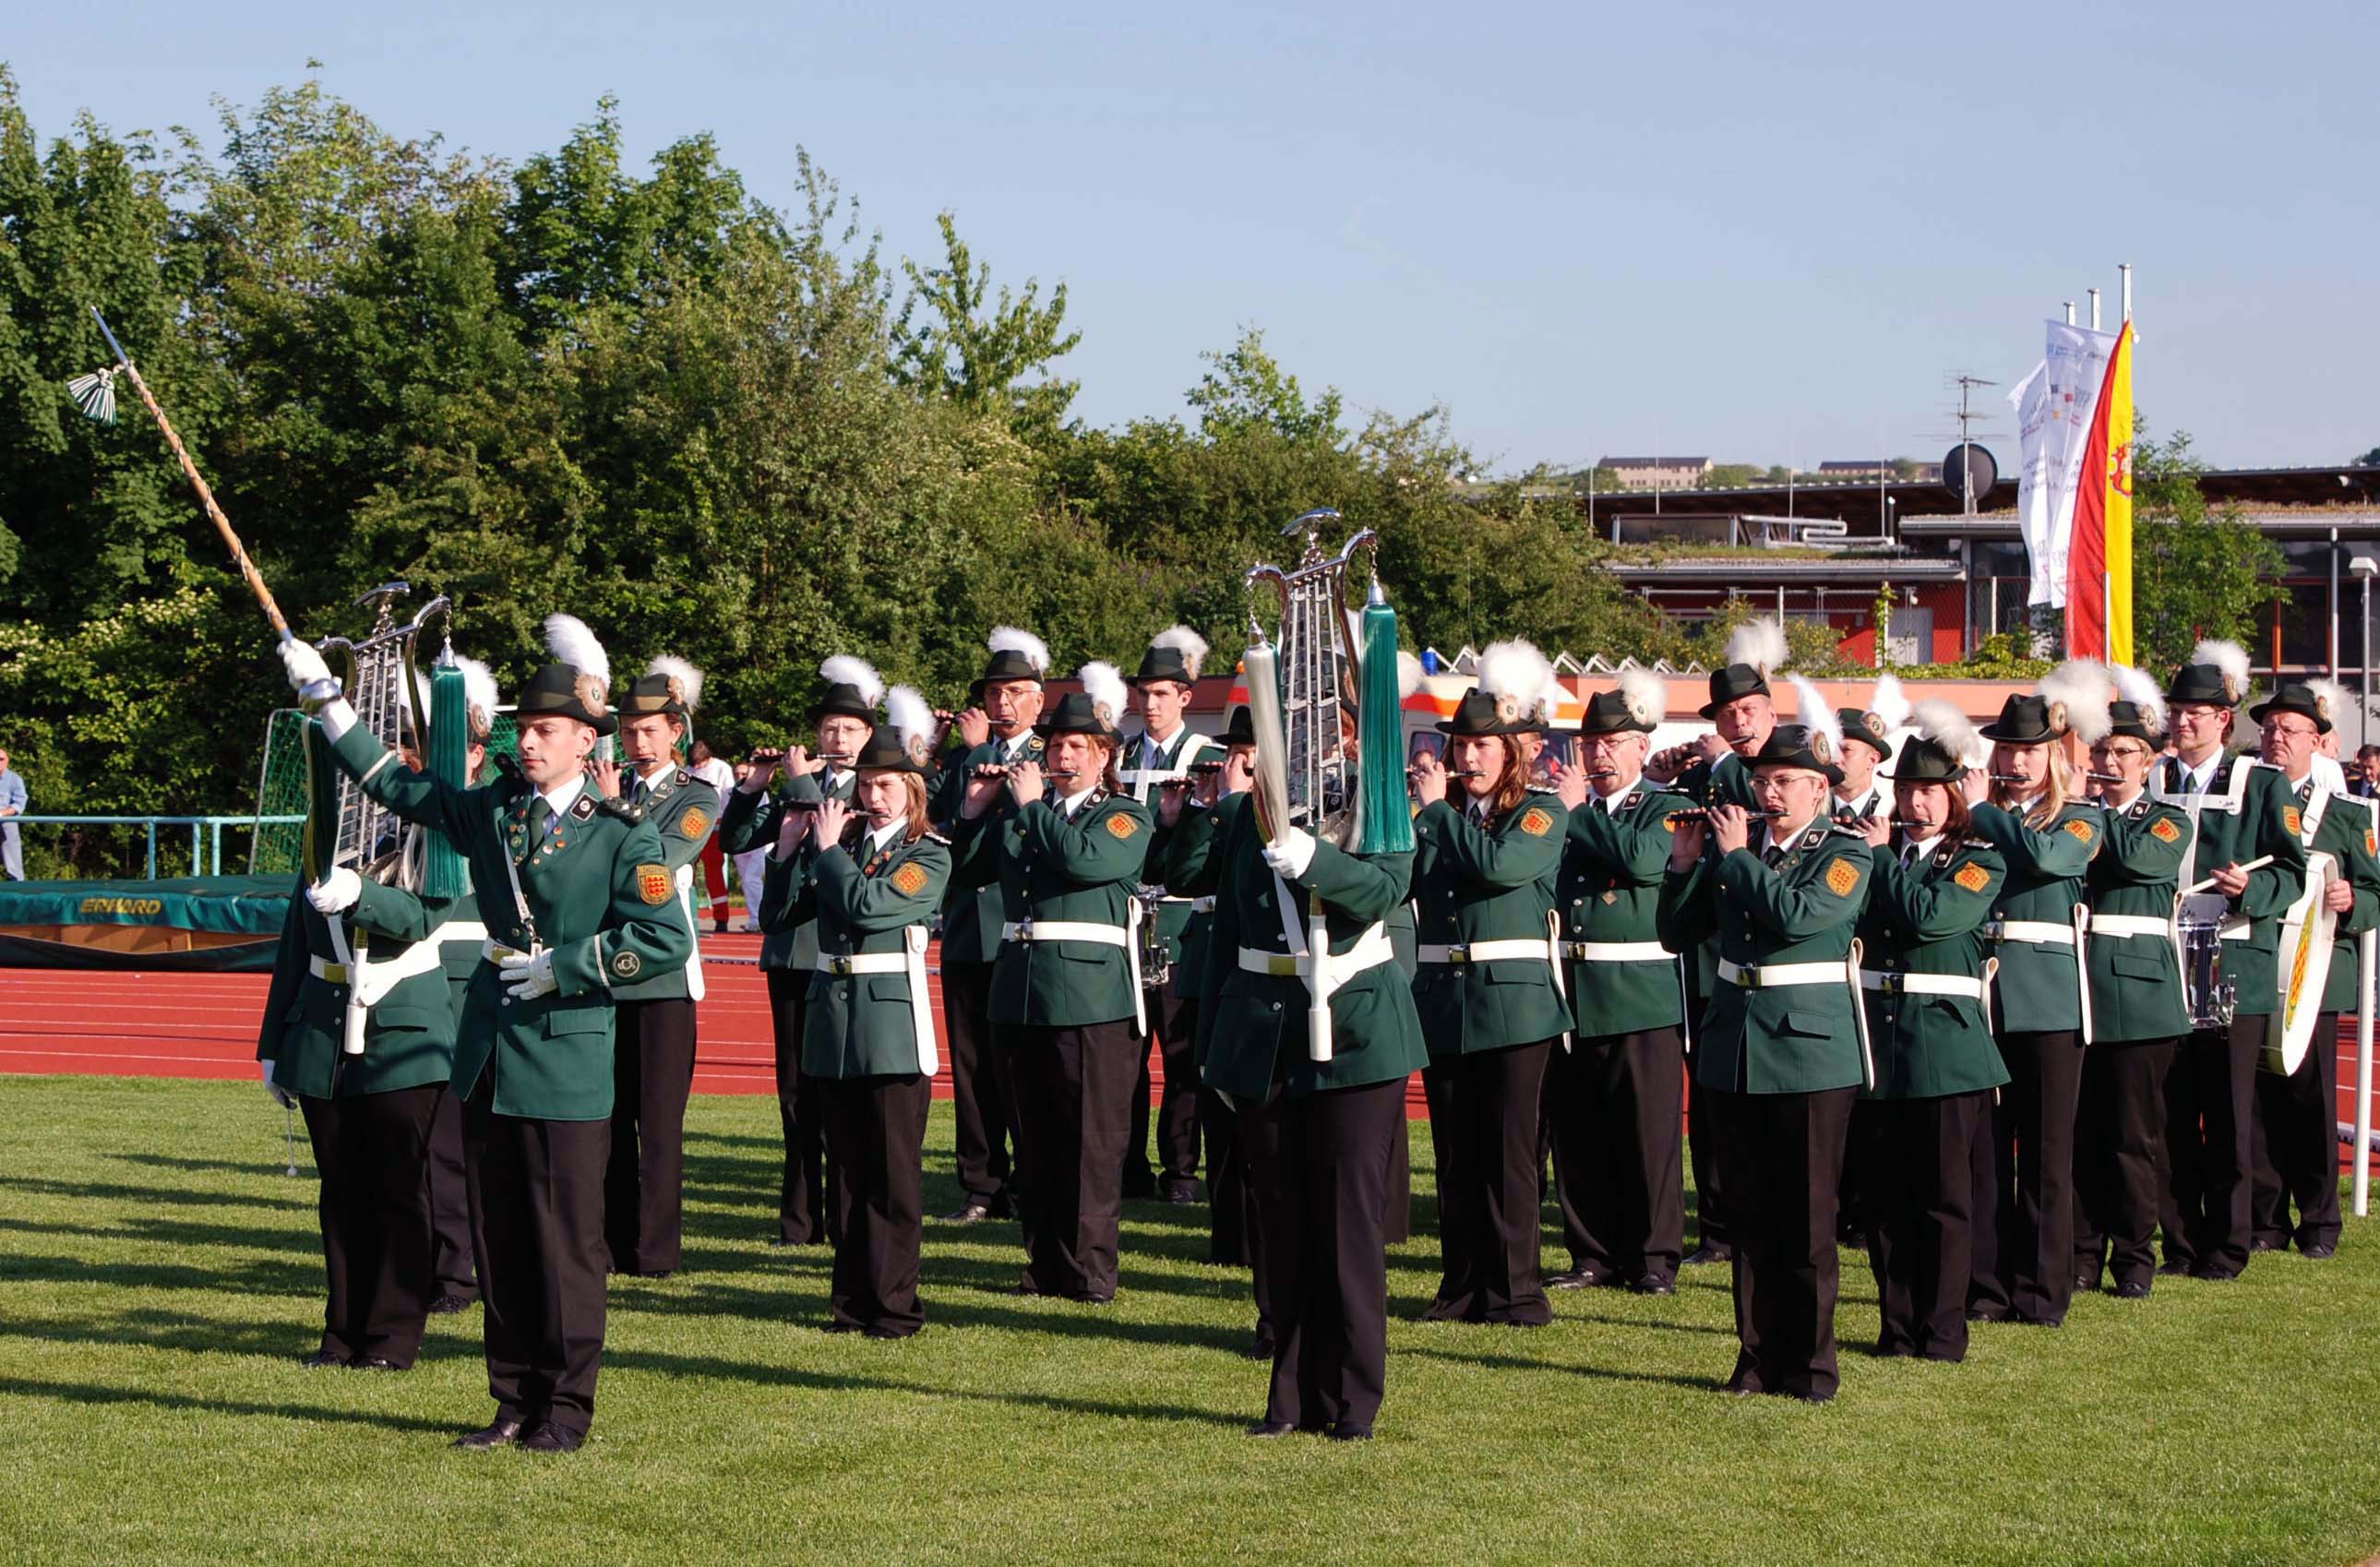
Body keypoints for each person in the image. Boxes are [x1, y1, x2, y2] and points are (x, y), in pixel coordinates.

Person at [279, 614, 690, 1453]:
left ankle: (565, 1410)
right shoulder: (494, 812)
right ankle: (513, 1400)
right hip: (488, 1057)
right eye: (524, 729)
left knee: (565, 1247)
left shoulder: (623, 834)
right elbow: (398, 786)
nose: (528, 742)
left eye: (546, 731)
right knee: (501, 1243)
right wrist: (327, 703)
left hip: (567, 1057)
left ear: (585, 742)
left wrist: (566, 967)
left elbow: (663, 940)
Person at [1197, 713, 1423, 1441]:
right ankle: (1289, 1394)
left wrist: (1313, 859)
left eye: (1320, 719)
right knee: (1282, 1222)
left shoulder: (1378, 797)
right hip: (1265, 1027)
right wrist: (1216, 1044)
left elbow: (1385, 889)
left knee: (1346, 1222)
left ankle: (1352, 1398)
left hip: (1355, 1026)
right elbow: (1227, 927)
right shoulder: (1250, 808)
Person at [1656, 688, 1871, 1403]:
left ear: (1818, 788)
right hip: (1736, 1044)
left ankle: (1809, 1366)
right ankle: (1755, 1358)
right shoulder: (1733, 851)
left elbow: (1796, 917)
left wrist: (1732, 858)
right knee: (1749, 1219)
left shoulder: (1843, 853)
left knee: (1806, 1223)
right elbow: (1676, 934)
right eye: (1760, 782)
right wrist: (1685, 865)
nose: (1767, 793)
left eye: (1782, 783)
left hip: (1809, 1050)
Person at [257, 714, 472, 1371]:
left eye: (399, 754)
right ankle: (342, 1331)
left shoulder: (440, 832)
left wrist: (358, 894)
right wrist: (273, 1043)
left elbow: (425, 913)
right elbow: (295, 946)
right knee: (342, 1191)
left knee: (400, 1191)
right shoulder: (331, 833)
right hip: (322, 1026)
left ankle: (390, 1337)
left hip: (404, 1028)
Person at [950, 663, 1149, 1301]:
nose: (1061, 755)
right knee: (1034, 1141)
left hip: (1091, 996)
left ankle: (1090, 1270)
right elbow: (966, 869)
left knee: (1089, 1142)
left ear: (1102, 756)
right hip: (1022, 990)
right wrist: (976, 810)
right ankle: (1042, 1266)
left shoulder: (1122, 815)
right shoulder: (1017, 816)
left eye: (1074, 748)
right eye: (1055, 746)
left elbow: (1084, 860)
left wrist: (1031, 806)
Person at [766, 689, 950, 1336]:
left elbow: (870, 907)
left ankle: (895, 1306)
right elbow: (779, 919)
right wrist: (790, 853)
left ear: (912, 792)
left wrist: (826, 851)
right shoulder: (835, 845)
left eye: (887, 786)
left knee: (891, 1179)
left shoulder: (927, 853)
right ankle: (849, 1305)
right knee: (845, 1174)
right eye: (866, 785)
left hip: (890, 1029)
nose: (873, 796)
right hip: (832, 1025)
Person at [1410, 644, 1569, 1328]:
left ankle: (1515, 1293)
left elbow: (1500, 869)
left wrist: (1438, 815)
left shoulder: (1538, 814)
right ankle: (1463, 1287)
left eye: (1481, 747)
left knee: (1509, 1157)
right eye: (1460, 747)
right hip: (1447, 1002)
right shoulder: (1443, 820)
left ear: (1511, 753)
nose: (1467, 759)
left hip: (1514, 1006)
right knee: (1456, 1157)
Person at [1849, 702, 2005, 1362]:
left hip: (1945, 1049)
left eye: (1927, 792)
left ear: (1953, 797)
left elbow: (1930, 918)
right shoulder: (1870, 855)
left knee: (1944, 1200)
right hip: (1880, 1044)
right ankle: (1896, 1323)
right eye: (1905, 791)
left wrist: (1880, 859)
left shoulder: (1978, 859)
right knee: (1884, 1199)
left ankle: (1942, 1329)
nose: (1913, 803)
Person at [2151, 640, 2306, 1282]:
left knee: (2229, 1111)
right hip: (2161, 963)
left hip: (2232, 964)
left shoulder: (2260, 783)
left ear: (2224, 719)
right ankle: (2180, 1242)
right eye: (2178, 709)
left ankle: (2229, 1242)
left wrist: (2253, 890)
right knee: (2168, 1110)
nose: (2184, 720)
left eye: (2198, 712)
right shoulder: (2152, 779)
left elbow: (2293, 872)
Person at [1965, 664, 2108, 1330]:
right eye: (2007, 749)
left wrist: (1986, 814)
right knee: (1986, 1154)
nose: (2015, 761)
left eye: (2027, 750)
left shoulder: (2078, 818)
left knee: (2047, 1155)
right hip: (1984, 996)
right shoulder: (1979, 821)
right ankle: (1987, 1286)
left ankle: (2041, 1291)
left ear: (2052, 755)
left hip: (2048, 1002)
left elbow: (2049, 861)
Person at [723, 654, 881, 1247]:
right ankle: (799, 1218)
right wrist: (752, 788)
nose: (835, 738)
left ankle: (844, 1214)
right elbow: (738, 839)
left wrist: (800, 781)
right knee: (795, 1095)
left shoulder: (875, 785)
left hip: (840, 953)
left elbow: (830, 827)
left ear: (868, 736)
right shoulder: (795, 784)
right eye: (827, 728)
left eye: (848, 729)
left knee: (839, 1090)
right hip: (793, 954)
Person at [1644, 616, 1787, 1267]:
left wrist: (1719, 761)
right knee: (1710, 1102)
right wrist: (1658, 774)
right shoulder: (1712, 771)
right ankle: (1720, 1226)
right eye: (1728, 715)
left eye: (1748, 710)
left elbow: (1756, 796)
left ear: (1769, 709)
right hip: (1710, 954)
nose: (1739, 722)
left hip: (1774, 956)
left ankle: (1769, 1215)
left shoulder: (1790, 759)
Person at [1543, 669, 1690, 1295]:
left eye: (1611, 742)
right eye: (1588, 744)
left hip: (1638, 989)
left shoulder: (1666, 808)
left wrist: (1576, 815)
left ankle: (1652, 1256)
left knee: (1646, 1133)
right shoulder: (1561, 812)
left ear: (1640, 747)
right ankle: (1591, 1252)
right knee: (1578, 1130)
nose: (1597, 753)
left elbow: (1642, 861)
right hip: (1572, 986)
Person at [593, 656, 722, 1279]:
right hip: (604, 970)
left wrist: (615, 814)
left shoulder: (696, 796)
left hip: (664, 977)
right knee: (608, 1116)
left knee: (659, 1123)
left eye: (649, 731)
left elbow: (661, 863)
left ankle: (655, 1251)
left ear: (676, 731)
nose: (637, 742)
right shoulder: (603, 788)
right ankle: (612, 1243)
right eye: (629, 731)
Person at [2072, 668, 2194, 1299]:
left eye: (2122, 753)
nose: (2108, 761)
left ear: (2147, 762)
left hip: (2138, 999)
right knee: (2080, 1134)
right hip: (2077, 988)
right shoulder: (2076, 817)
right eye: (2099, 751)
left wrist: (2084, 816)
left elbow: (2141, 860)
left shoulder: (2166, 820)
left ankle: (2134, 1259)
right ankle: (2082, 1254)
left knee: (2130, 1137)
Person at [2247, 679, 2379, 1260]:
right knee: (2257, 1099)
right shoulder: (2247, 800)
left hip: (2318, 973)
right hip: (2254, 966)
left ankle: (2320, 1222)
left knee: (2313, 1100)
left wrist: (2354, 898)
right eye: (2270, 728)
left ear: (2318, 742)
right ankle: (2266, 1218)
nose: (2276, 738)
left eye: (2289, 730)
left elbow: (2376, 893)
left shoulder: (2347, 815)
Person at [1158, 709, 1271, 1334]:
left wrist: (1230, 800)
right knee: (1216, 1106)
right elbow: (1183, 876)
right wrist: (1191, 814)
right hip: (1213, 968)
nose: (1233, 761)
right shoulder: (1222, 807)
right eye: (1232, 752)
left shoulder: (1275, 805)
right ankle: (1229, 1233)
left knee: (1258, 1115)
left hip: (1256, 974)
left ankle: (1256, 1238)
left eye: (1243, 751)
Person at [930, 628, 1048, 1224]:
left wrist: (978, 756)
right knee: (972, 1066)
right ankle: (981, 1184)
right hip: (968, 928)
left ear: (1037, 701)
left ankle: (1031, 1179)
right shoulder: (961, 760)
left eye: (1014, 692)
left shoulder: (1052, 756)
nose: (1002, 703)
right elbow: (948, 839)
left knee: (1021, 1065)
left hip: (1021, 927)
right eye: (993, 693)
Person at [1117, 625, 1218, 1204]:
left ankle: (1181, 1170)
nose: (1150, 704)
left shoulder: (1206, 755)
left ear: (1185, 696)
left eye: (1162, 693)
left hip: (1181, 926)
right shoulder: (1124, 755)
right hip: (1128, 924)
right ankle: (1129, 1167)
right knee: (1126, 1054)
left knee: (1182, 1056)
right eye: (1144, 693)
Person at [425, 657, 500, 1315]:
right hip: (402, 999)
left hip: (468, 996)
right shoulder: (398, 817)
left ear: (476, 754)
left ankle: (456, 1274)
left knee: (454, 1150)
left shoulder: (499, 818)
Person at [1831, 676, 1912, 1250]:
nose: (1836, 758)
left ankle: (1868, 1209)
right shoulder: (1815, 808)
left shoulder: (1897, 814)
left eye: (1847, 749)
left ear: (1876, 760)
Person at [688, 737, 737, 933]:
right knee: (686, 869)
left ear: (708, 758)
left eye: (700, 763)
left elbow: (728, 796)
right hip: (691, 825)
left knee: (713, 872)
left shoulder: (721, 768)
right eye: (695, 765)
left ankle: (722, 917)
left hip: (714, 824)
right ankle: (687, 912)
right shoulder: (688, 770)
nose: (697, 767)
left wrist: (724, 822)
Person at [729, 761, 771, 933]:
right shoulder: (729, 793)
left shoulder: (760, 793)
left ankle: (760, 920)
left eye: (743, 774)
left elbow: (763, 817)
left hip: (758, 843)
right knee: (747, 882)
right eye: (737, 774)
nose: (740, 777)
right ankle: (754, 918)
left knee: (751, 879)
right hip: (740, 845)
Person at [0, 747, 25, 880]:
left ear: (7, 761)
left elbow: (19, 805)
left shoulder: (15, 779)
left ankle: (18, 891)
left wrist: (2, 813)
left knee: (13, 867)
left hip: (6, 824)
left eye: (1, 759)